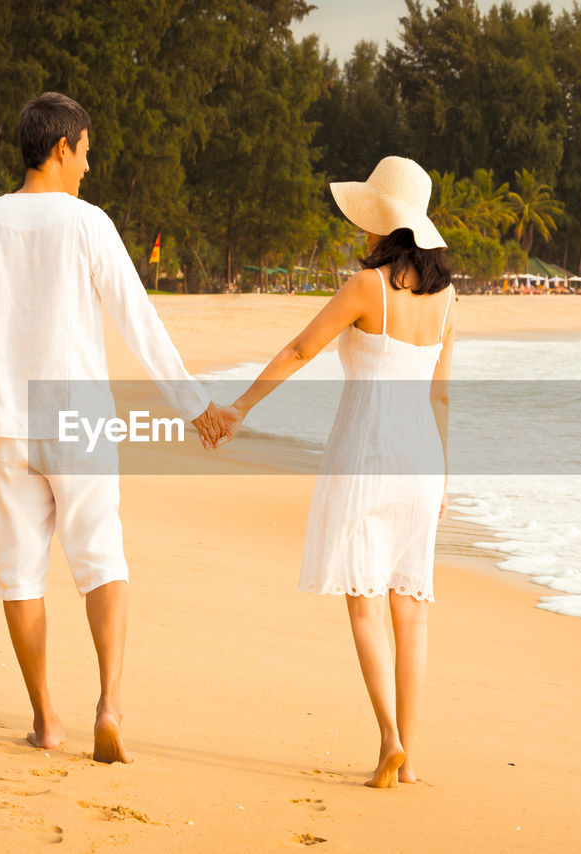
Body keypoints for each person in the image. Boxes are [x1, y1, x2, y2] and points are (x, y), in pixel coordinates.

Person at [0, 92, 228, 764]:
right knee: (101, 558)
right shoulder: (88, 225)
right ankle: (109, 703)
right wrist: (194, 405)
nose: (88, 166)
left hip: (7, 420)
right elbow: (138, 320)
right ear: (61, 147)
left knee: (19, 573)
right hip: (75, 416)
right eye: (85, 152)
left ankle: (46, 720)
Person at [218, 156, 455, 788]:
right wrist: (445, 477)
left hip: (366, 456)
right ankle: (409, 758)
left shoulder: (367, 288)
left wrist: (240, 408)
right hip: (422, 462)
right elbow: (442, 394)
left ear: (382, 223)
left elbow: (301, 349)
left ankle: (388, 740)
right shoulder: (446, 295)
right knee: (413, 609)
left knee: (364, 601)